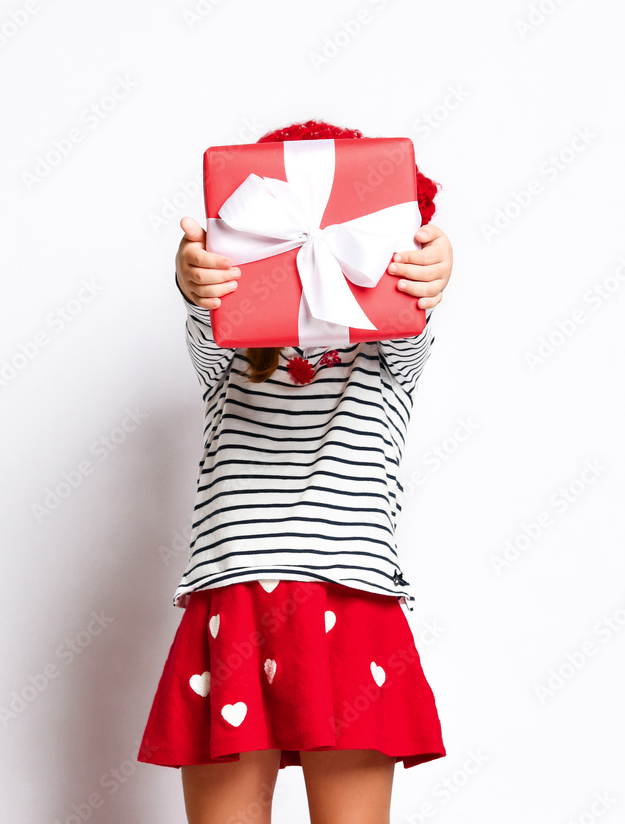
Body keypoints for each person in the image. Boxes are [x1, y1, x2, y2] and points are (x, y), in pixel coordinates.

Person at [136, 119, 454, 824]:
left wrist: (430, 270)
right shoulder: (230, 354)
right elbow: (203, 310)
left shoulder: (389, 354)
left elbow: (416, 318)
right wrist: (196, 278)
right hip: (236, 597)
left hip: (350, 593)